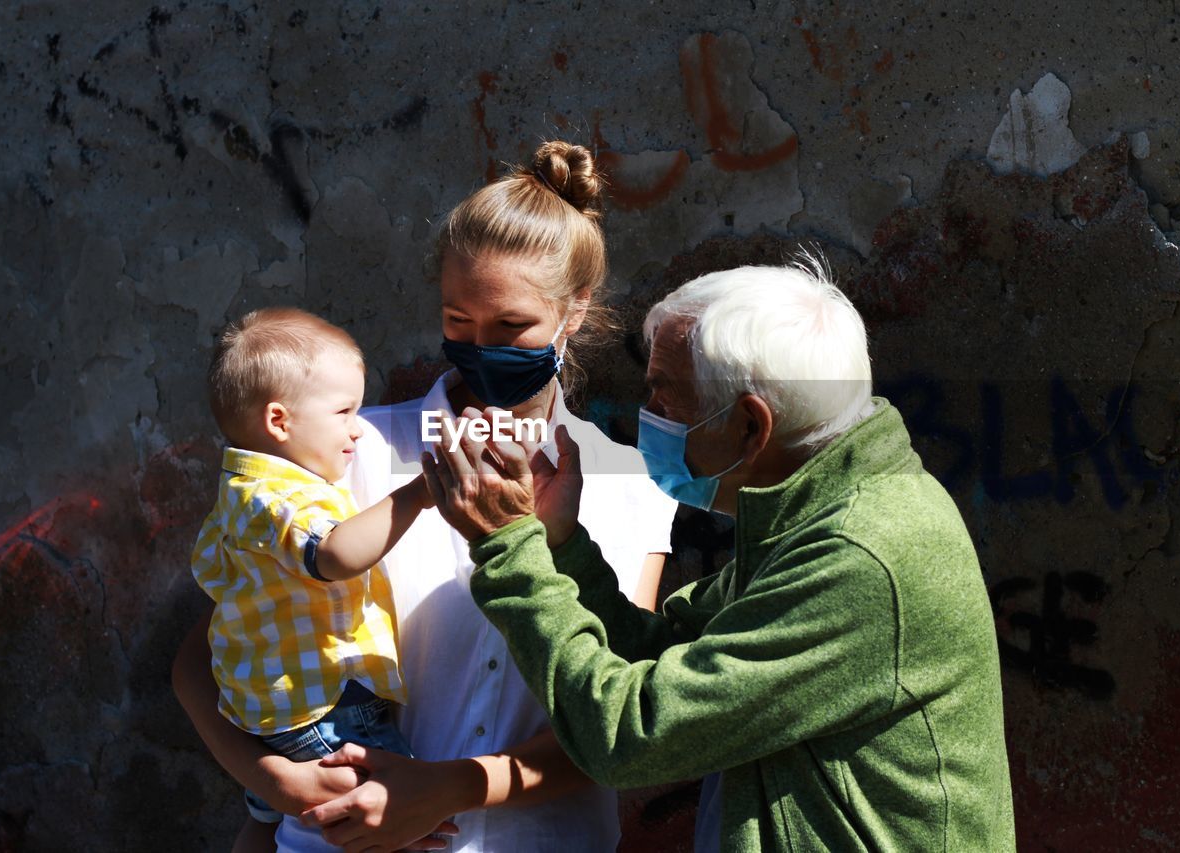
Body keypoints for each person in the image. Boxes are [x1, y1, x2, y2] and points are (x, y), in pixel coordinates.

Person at [172, 140, 678, 852]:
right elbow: (208, 652)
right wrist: (277, 784)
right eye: (456, 322)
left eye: (511, 328)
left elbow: (615, 718)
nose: (479, 347)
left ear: (574, 312)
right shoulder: (356, 452)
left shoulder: (634, 487)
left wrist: (447, 787)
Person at [422, 262, 1017, 851]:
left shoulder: (858, 552)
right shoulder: (816, 512)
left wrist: (506, 548)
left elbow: (631, 735)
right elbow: (669, 657)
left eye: (664, 398)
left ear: (751, 426)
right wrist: (561, 544)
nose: (646, 418)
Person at [190, 307, 429, 831]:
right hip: (327, 713)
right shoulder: (279, 497)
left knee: (272, 825)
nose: (358, 430)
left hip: (275, 718)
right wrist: (418, 493)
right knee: (409, 810)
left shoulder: (238, 491)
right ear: (280, 421)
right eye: (344, 412)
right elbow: (335, 556)